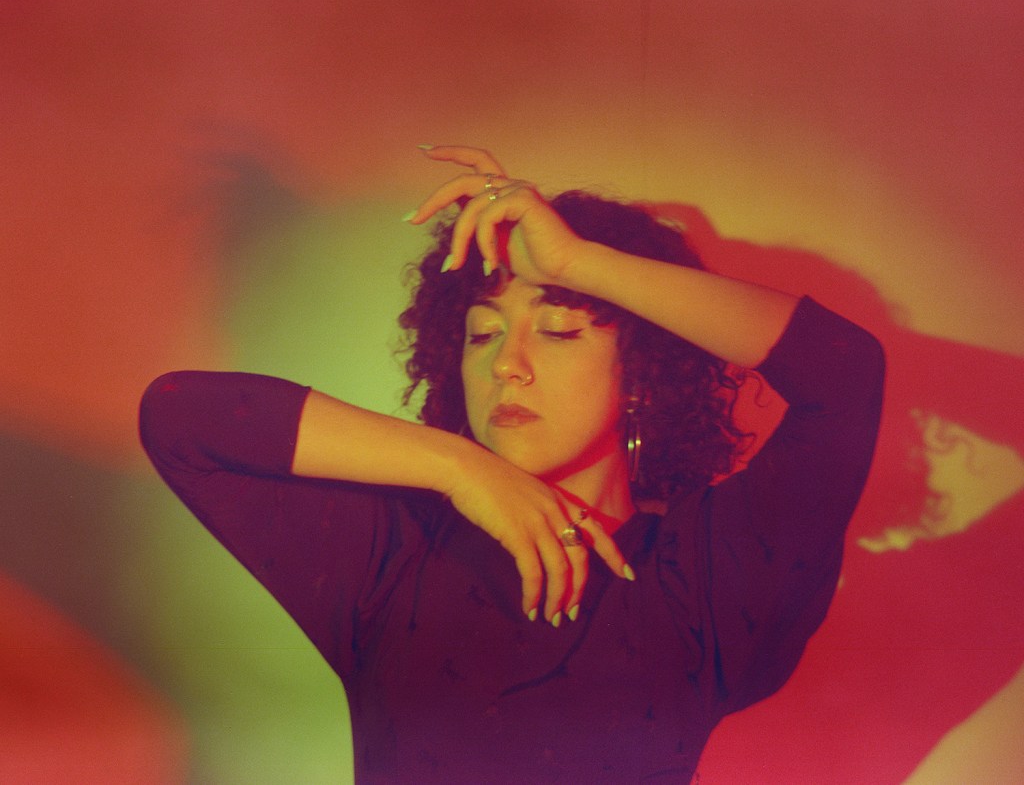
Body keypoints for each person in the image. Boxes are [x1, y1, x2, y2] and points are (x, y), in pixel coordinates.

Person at [139, 146, 885, 782]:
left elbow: (844, 373)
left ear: (641, 374)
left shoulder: (702, 578)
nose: (507, 365)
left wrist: (577, 262)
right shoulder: (392, 557)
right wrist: (457, 465)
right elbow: (180, 416)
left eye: (558, 330)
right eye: (482, 334)